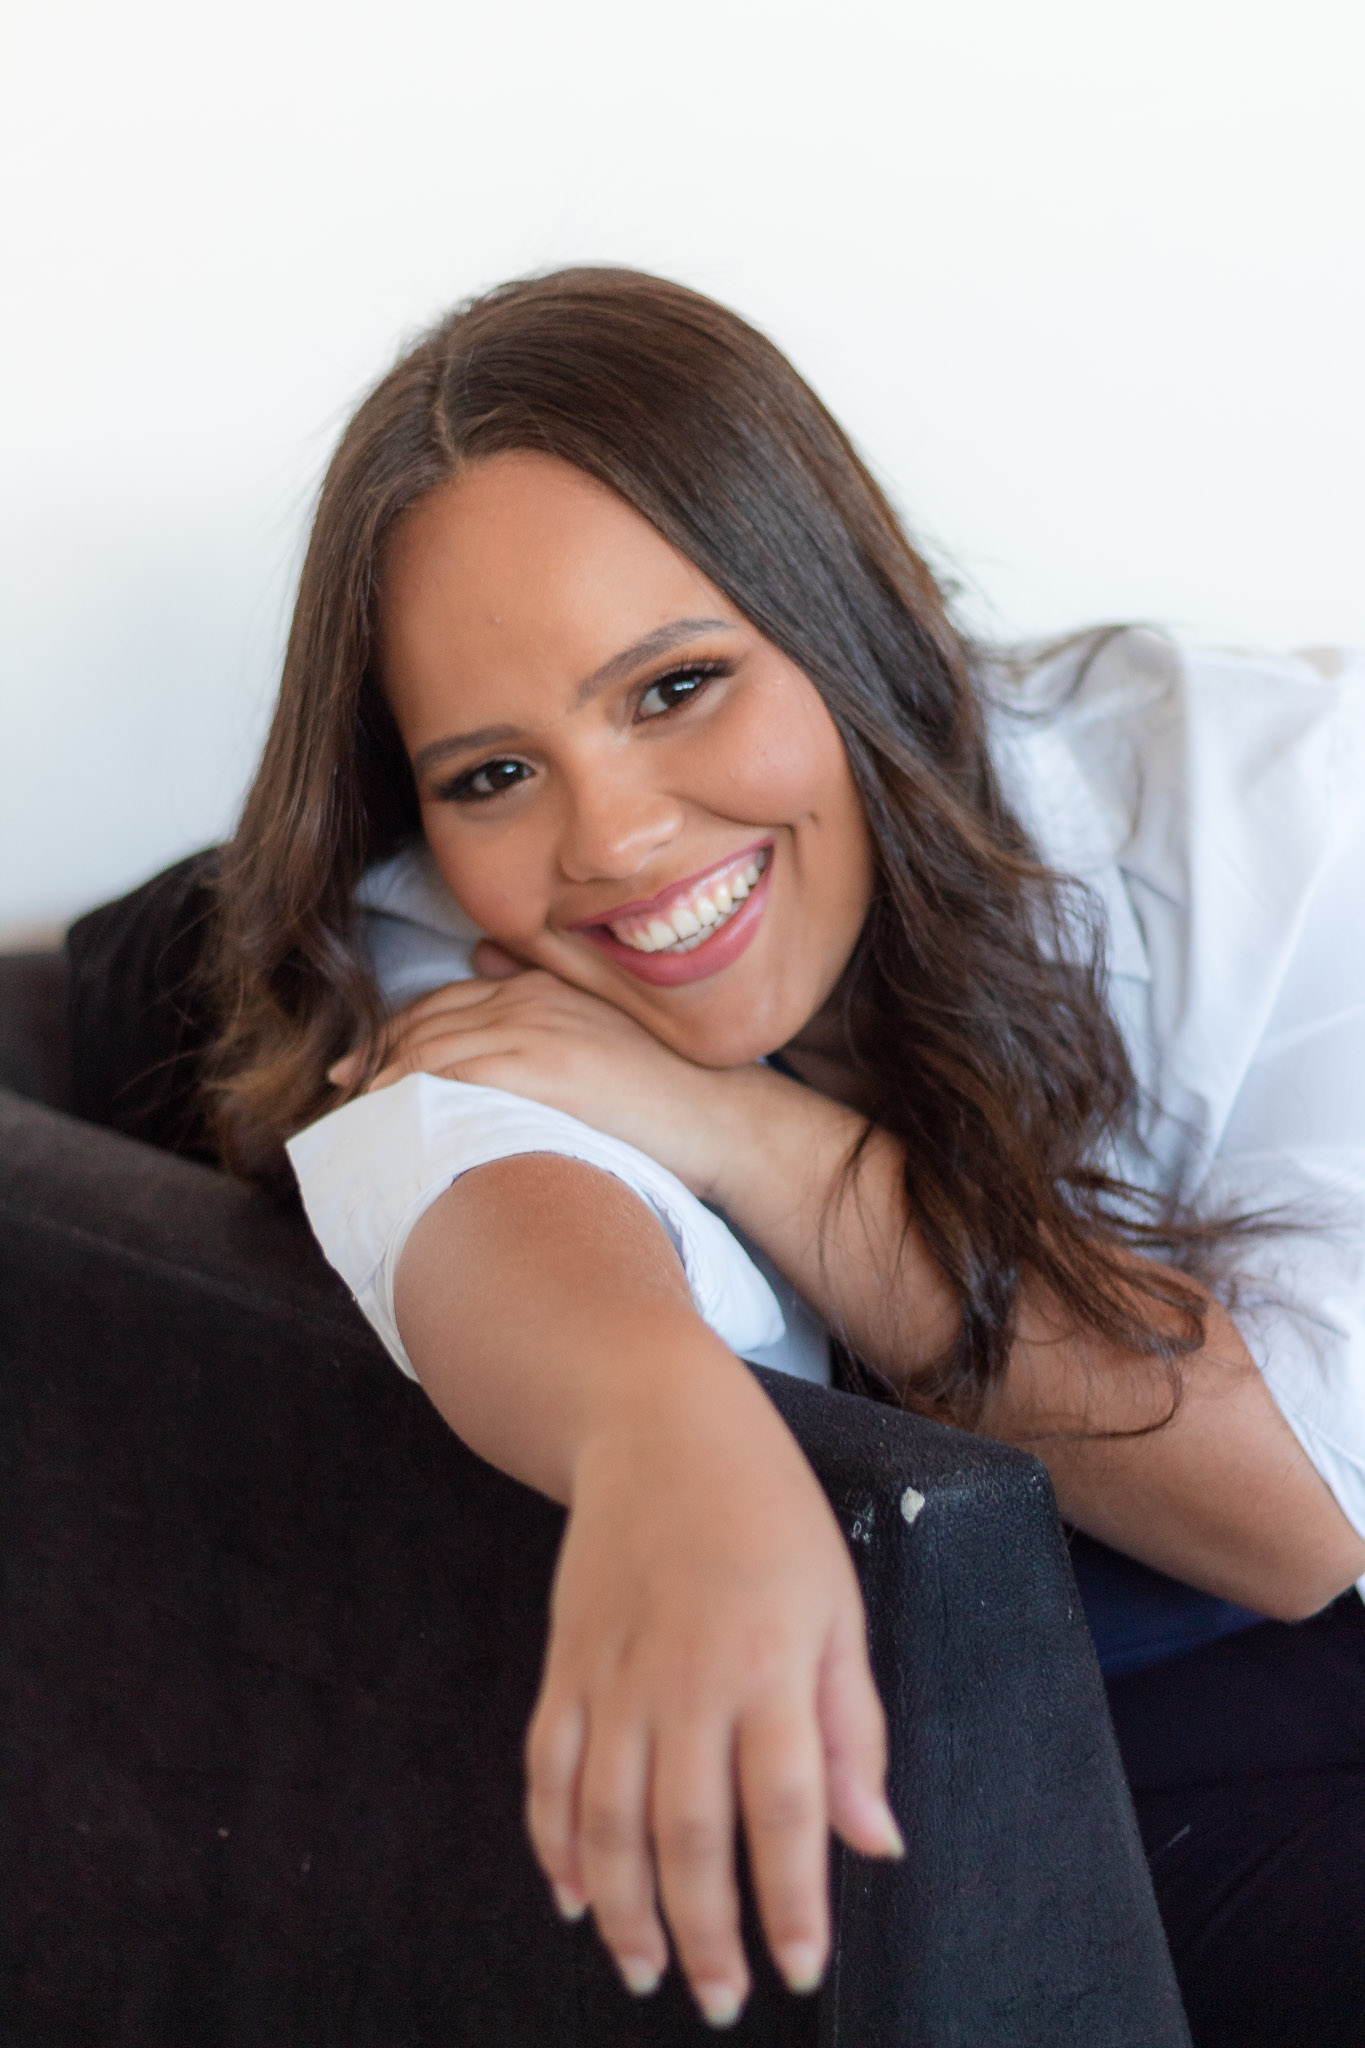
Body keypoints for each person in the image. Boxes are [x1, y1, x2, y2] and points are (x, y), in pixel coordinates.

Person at [203, 268, 1365, 2041]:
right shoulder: (457, 934)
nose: (612, 840)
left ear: (845, 619)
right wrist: (661, 1437)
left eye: (675, 684)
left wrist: (743, 1131)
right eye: (494, 772)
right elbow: (485, 1195)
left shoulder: (1266, 800)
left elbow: (1295, 1514)